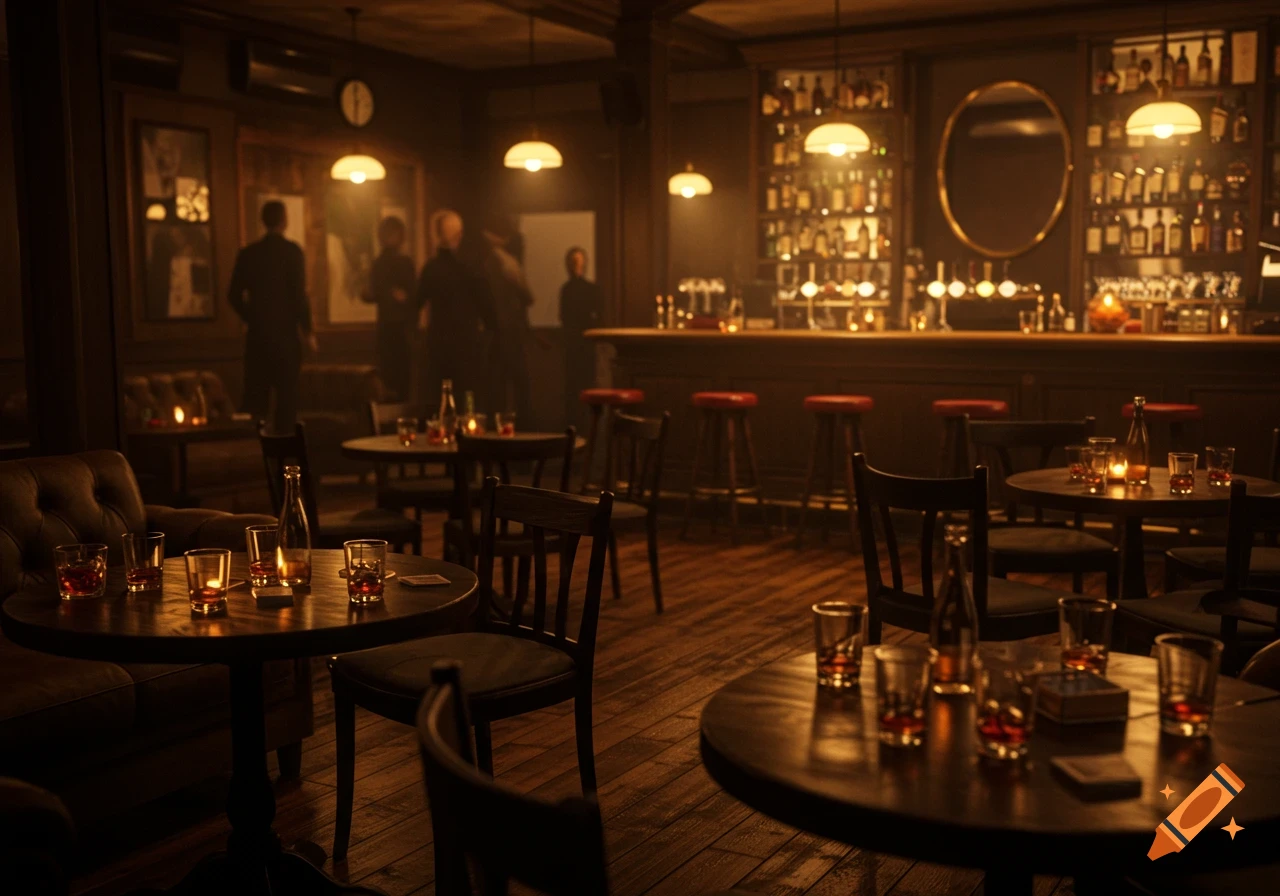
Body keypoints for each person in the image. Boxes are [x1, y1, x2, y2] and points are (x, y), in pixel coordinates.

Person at [227, 200, 316, 434]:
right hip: (286, 337)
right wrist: (308, 332)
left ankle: (257, 462)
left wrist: (252, 317)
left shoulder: (249, 254)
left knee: (256, 402)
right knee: (287, 403)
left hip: (257, 338)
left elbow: (233, 295)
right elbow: (299, 297)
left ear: (263, 221)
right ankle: (288, 468)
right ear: (284, 220)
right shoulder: (292, 253)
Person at [416, 209, 494, 405]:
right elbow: (487, 307)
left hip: (439, 346)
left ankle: (442, 431)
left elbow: (415, 302)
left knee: (441, 398)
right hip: (468, 345)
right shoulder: (471, 268)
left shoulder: (431, 269)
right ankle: (470, 429)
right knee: (468, 397)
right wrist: (490, 332)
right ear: (459, 235)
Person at [481, 216, 535, 425]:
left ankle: (501, 429)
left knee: (499, 385)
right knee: (517, 384)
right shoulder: (507, 262)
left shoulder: (489, 262)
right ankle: (523, 430)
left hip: (498, 331)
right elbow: (528, 296)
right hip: (509, 331)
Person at [362, 216, 420, 400]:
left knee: (389, 381)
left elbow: (371, 293)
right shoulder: (397, 263)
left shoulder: (381, 263)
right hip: (399, 329)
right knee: (399, 383)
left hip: (391, 329)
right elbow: (414, 297)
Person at [558, 246, 602, 427]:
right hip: (573, 345)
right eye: (574, 261)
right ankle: (575, 423)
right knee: (573, 386)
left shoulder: (589, 289)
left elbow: (599, 317)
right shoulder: (567, 290)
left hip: (586, 345)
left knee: (586, 383)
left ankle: (587, 422)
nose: (576, 265)